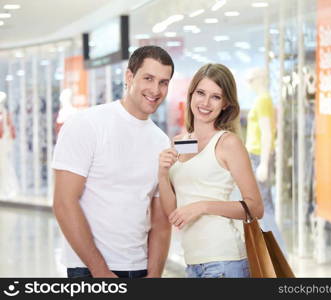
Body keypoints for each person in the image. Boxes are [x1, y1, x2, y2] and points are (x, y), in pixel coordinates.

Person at [52, 45, 174, 278]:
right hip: (88, 269)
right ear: (129, 76)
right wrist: (101, 272)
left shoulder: (161, 141)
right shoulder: (87, 124)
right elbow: (64, 203)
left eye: (163, 82)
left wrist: (155, 274)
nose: (155, 89)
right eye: (148, 78)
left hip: (139, 268)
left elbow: (160, 220)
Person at [158, 63, 264, 278]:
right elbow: (172, 212)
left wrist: (202, 206)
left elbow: (255, 208)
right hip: (193, 262)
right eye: (200, 93)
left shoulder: (227, 143)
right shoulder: (181, 142)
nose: (205, 103)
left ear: (225, 104)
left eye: (216, 97)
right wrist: (162, 173)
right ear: (191, 95)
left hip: (224, 260)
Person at [246, 68, 287, 254]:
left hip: (257, 156)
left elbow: (267, 132)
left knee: (264, 207)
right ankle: (274, 251)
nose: (249, 83)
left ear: (260, 78)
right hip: (255, 156)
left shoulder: (263, 100)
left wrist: (263, 162)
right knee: (261, 205)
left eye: (251, 79)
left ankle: (278, 252)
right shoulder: (262, 99)